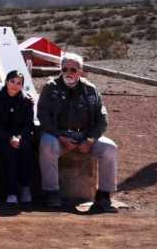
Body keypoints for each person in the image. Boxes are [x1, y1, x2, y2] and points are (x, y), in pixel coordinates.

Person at [38, 53, 119, 213]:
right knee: (47, 144)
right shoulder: (50, 87)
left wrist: (89, 140)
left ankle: (104, 195)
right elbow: (43, 116)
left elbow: (102, 119)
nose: (68, 73)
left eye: (73, 69)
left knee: (110, 148)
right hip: (59, 135)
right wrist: (60, 137)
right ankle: (51, 193)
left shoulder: (90, 90)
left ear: (80, 71)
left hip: (85, 136)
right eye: (65, 69)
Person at [0, 70, 35, 205]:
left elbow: (28, 124)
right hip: (3, 137)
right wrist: (9, 138)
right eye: (12, 81)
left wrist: (19, 137)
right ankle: (12, 192)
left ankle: (25, 187)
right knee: (8, 154)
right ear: (6, 82)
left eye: (19, 83)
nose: (15, 85)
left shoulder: (27, 101)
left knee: (26, 150)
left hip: (21, 137)